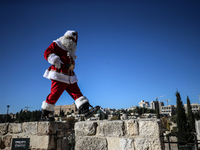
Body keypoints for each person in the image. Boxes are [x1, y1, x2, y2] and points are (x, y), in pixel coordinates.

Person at [41, 30, 100, 121]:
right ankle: (45, 114)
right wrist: (55, 60)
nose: (71, 40)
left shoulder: (70, 51)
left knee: (77, 93)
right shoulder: (57, 44)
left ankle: (85, 111)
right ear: (65, 37)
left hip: (70, 76)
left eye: (73, 39)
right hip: (59, 74)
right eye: (69, 38)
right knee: (55, 94)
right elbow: (47, 53)